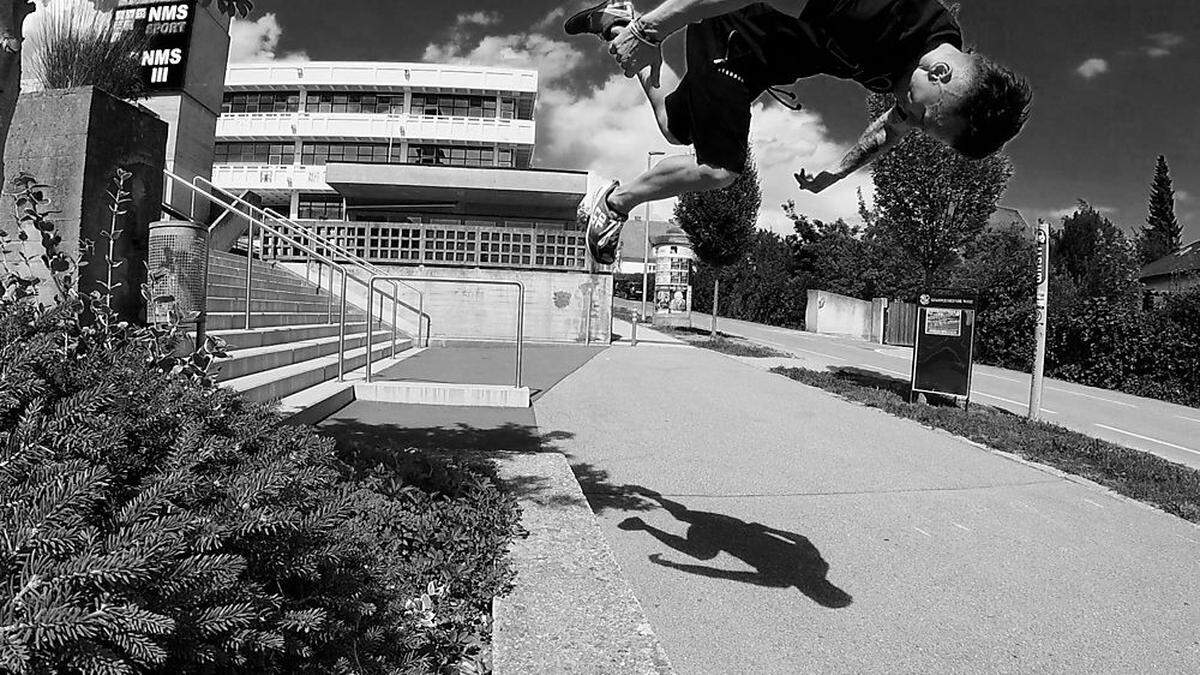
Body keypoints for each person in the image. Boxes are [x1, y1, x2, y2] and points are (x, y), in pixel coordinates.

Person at [564, 0, 1033, 265]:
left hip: (760, 60)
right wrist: (652, 30)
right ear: (942, 75)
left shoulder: (927, 71)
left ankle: (616, 19)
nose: (910, 118)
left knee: (675, 125)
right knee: (719, 167)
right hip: (735, 25)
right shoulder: (874, 10)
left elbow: (891, 130)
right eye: (925, 119)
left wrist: (837, 171)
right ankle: (614, 203)